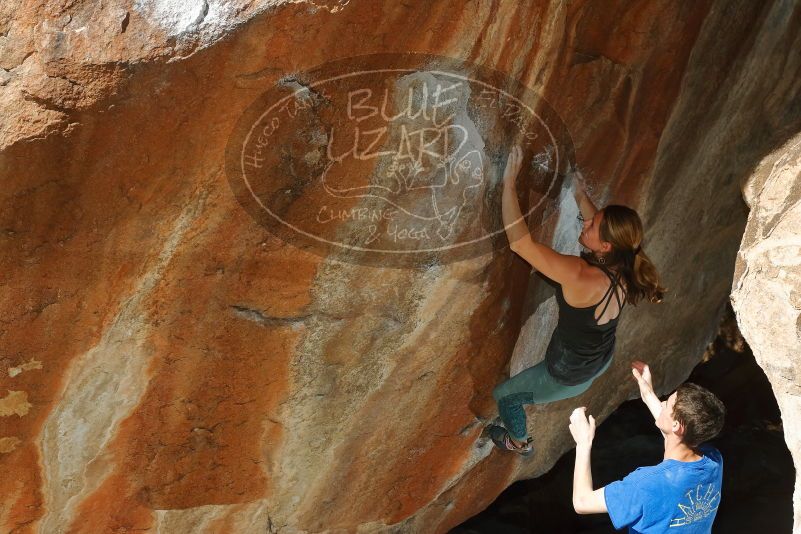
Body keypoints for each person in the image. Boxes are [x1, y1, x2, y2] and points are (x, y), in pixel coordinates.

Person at [488, 145, 665, 455]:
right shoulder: (625, 263)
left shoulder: (581, 275)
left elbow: (521, 244)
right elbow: (599, 226)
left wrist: (509, 184)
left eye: (592, 225)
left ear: (606, 245)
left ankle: (518, 442)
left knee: (505, 395)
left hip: (568, 375)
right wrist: (581, 196)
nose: (586, 221)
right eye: (592, 217)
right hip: (598, 359)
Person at [569, 361, 726, 533]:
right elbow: (675, 434)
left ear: (676, 425)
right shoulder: (714, 461)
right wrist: (647, 394)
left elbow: (582, 503)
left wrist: (583, 443)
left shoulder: (647, 484)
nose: (663, 403)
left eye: (667, 403)